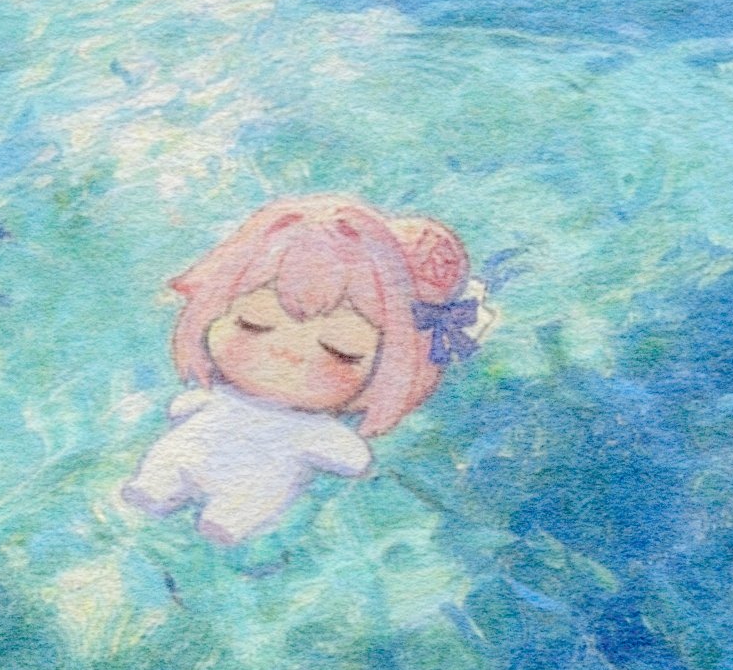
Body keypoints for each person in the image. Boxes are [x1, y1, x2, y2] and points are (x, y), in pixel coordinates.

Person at [121, 193, 485, 545]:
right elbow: (184, 405)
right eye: (252, 324)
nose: (285, 354)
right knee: (168, 466)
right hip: (191, 450)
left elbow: (352, 458)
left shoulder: (311, 431)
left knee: (248, 500)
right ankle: (154, 486)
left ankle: (227, 521)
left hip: (251, 487)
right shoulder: (217, 399)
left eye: (340, 352)